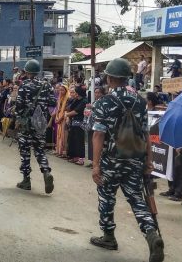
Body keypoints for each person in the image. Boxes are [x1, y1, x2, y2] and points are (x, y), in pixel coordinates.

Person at [90, 58, 163, 262]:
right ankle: (151, 233)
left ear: (109, 77)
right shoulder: (140, 102)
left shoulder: (104, 102)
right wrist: (149, 161)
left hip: (111, 161)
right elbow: (145, 134)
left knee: (107, 198)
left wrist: (96, 166)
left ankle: (108, 236)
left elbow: (98, 135)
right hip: (135, 160)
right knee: (137, 200)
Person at [14, 59, 56, 194]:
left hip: (26, 122)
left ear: (26, 72)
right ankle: (46, 172)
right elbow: (53, 101)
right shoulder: (47, 85)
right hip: (40, 122)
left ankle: (26, 180)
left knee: (25, 151)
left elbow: (19, 105)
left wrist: (18, 118)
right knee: (40, 150)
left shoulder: (24, 85)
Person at [66, 85, 88, 165]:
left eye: (74, 92)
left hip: (80, 123)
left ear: (78, 93)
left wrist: (66, 115)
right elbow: (69, 108)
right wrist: (68, 115)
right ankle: (74, 157)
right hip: (73, 122)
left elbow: (76, 111)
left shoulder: (84, 101)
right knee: (73, 140)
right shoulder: (76, 100)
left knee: (79, 140)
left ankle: (81, 158)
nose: (73, 94)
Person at [53, 85, 69, 158]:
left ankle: (63, 152)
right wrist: (56, 117)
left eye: (62, 90)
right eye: (60, 90)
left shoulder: (68, 99)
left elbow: (66, 110)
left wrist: (60, 118)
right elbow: (58, 109)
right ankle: (58, 151)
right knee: (58, 135)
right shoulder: (59, 98)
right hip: (59, 117)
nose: (60, 92)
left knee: (63, 135)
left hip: (64, 118)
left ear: (66, 91)